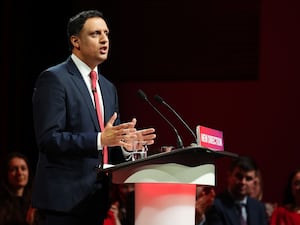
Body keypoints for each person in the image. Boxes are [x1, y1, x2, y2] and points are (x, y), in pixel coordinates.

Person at [31, 9, 156, 225]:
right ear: (76, 41)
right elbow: (49, 139)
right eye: (95, 33)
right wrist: (100, 139)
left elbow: (110, 143)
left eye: (106, 33)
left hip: (96, 202)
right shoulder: (54, 79)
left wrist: (126, 145)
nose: (104, 39)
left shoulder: (108, 88)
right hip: (62, 204)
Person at [203, 156, 268, 225]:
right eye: (239, 176)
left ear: (254, 181)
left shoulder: (259, 208)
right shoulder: (216, 205)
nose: (243, 182)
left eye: (248, 178)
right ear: (229, 175)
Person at [0, 152, 38, 225]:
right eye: (14, 169)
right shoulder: (2, 203)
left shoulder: (35, 201)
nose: (19, 173)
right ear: (6, 174)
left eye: (23, 169)